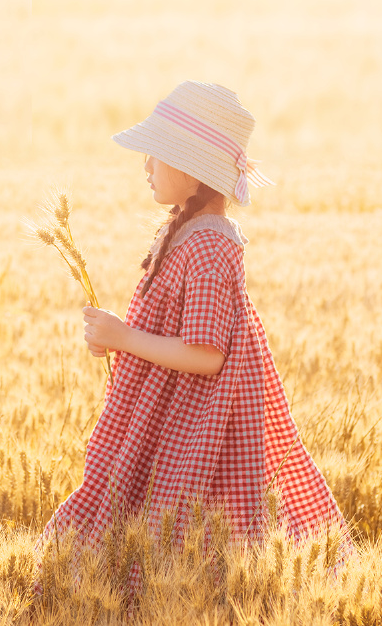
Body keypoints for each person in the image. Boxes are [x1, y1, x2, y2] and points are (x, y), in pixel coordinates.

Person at [37, 81, 349, 576]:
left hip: (196, 418)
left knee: (182, 527)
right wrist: (118, 338)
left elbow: (207, 355)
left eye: (155, 156)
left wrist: (125, 339)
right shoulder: (186, 230)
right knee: (140, 516)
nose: (145, 167)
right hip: (170, 409)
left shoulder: (209, 246)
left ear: (191, 169)